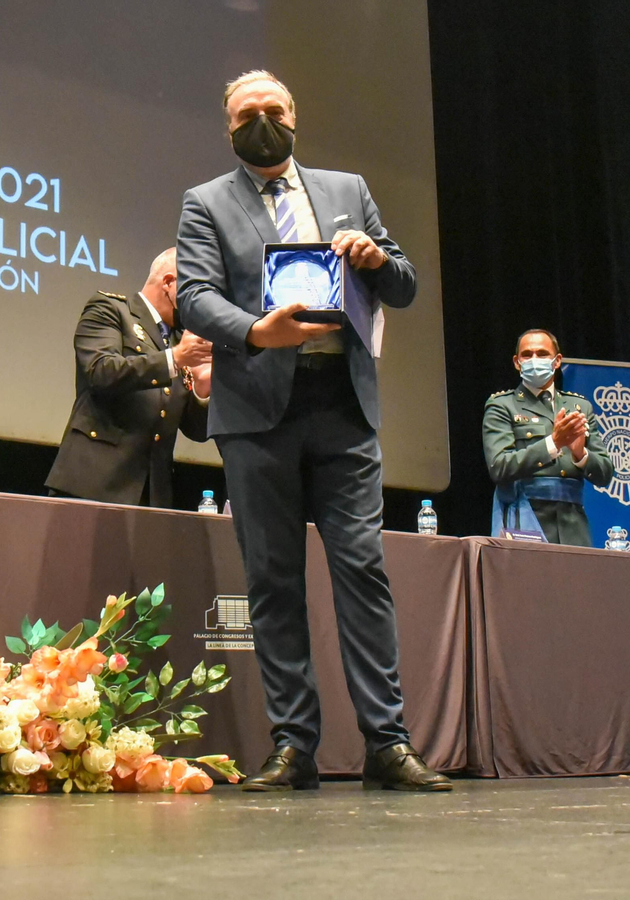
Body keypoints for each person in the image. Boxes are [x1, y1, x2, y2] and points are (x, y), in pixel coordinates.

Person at [176, 70, 449, 791]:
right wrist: (255, 333)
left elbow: (406, 284)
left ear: (296, 116)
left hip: (342, 408)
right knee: (272, 581)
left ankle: (388, 744)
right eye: (246, 114)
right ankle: (294, 747)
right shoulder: (205, 202)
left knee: (362, 570)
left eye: (274, 110)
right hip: (257, 413)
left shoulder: (347, 189)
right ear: (227, 127)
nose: (261, 121)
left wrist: (375, 258)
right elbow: (196, 297)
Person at [44, 248, 213, 508]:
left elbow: (196, 431)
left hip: (151, 495)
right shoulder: (111, 310)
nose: (200, 303)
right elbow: (101, 371)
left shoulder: (181, 342)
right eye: (195, 291)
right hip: (93, 484)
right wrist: (173, 359)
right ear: (168, 283)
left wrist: (202, 385)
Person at [484, 329, 614, 545]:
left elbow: (605, 473)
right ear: (517, 362)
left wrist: (580, 453)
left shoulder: (579, 406)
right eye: (527, 355)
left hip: (572, 524)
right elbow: (499, 466)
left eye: (542, 354)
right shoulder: (502, 405)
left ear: (557, 361)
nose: (534, 360)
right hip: (526, 519)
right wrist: (553, 444)